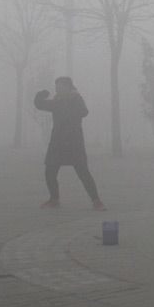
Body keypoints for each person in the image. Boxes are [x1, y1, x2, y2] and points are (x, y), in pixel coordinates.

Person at [34, 77, 106, 211]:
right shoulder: (57, 101)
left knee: (83, 172)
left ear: (66, 86)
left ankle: (96, 200)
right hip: (57, 142)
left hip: (74, 142)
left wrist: (69, 105)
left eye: (58, 85)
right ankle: (54, 199)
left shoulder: (76, 99)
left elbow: (84, 112)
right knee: (50, 171)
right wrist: (40, 95)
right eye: (55, 85)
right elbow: (40, 104)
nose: (56, 88)